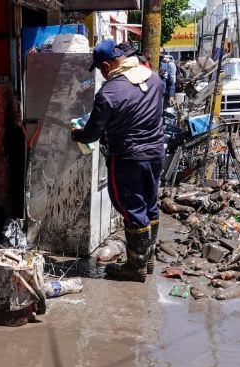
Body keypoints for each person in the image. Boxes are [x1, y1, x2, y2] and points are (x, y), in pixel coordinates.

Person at [72, 39, 165, 282]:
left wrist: (77, 134)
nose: (102, 74)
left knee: (132, 209)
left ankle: (135, 266)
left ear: (105, 65)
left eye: (101, 69)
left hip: (127, 158)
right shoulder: (153, 78)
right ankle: (147, 257)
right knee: (149, 204)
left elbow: (92, 133)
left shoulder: (110, 92)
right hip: (155, 154)